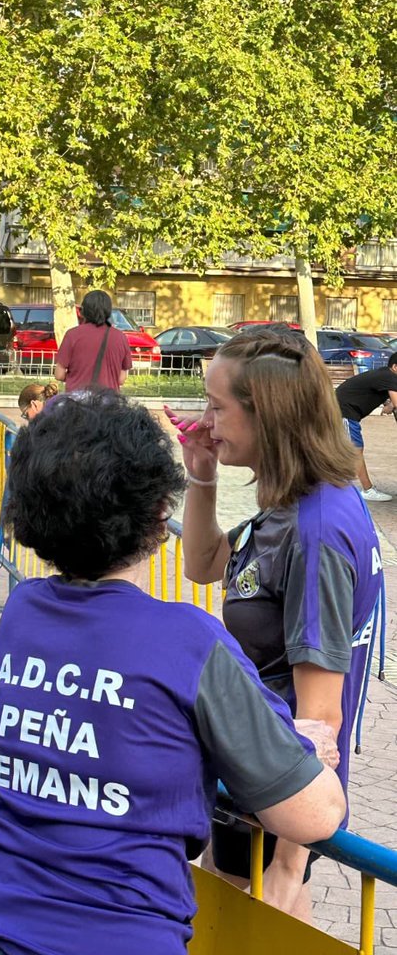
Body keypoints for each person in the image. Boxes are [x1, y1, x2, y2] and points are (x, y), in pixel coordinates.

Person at [0, 391, 345, 955]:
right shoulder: (189, 641)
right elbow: (312, 815)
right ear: (157, 512)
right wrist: (295, 745)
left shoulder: (23, 610)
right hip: (108, 934)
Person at [166, 325, 383, 921]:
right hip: (253, 774)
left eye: (216, 407)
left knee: (242, 922)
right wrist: (201, 473)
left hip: (272, 792)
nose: (205, 421)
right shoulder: (291, 499)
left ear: (268, 415)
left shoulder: (317, 529)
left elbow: (321, 716)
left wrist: (290, 868)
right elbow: (206, 565)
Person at [335, 353, 397, 501]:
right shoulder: (391, 377)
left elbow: (389, 402)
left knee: (349, 449)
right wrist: (392, 406)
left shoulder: (385, 375)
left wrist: (388, 406)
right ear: (395, 367)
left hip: (344, 410)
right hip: (343, 411)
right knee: (355, 450)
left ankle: (336, 484)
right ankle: (367, 490)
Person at [54, 290, 131, 392]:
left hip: (77, 401)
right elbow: (121, 379)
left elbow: (59, 374)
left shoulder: (72, 335)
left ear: (84, 310)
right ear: (108, 311)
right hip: (109, 402)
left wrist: (75, 378)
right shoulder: (120, 337)